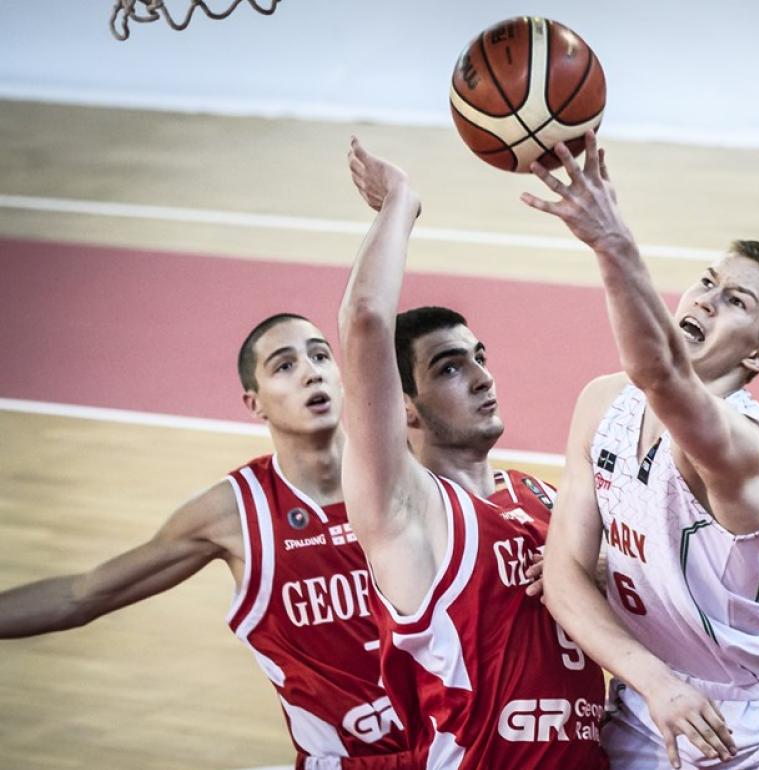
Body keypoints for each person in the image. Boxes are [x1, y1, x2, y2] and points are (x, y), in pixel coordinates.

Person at [525, 133, 759, 770]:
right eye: (708, 281)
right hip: (659, 701)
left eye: (735, 301)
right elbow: (564, 578)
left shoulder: (744, 450)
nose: (705, 298)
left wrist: (612, 244)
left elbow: (664, 378)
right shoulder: (602, 405)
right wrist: (653, 680)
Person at [0, 313, 412, 769]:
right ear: (254, 405)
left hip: (459, 747)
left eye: (319, 355)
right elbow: (78, 597)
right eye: (284, 366)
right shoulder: (234, 513)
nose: (311, 372)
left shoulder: (412, 478)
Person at [336, 137, 609, 770]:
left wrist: (608, 581)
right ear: (405, 405)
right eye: (451, 368)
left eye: (480, 358)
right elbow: (365, 321)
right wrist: (399, 203)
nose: (483, 377)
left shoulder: (541, 498)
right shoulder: (407, 509)